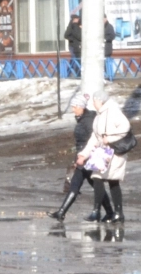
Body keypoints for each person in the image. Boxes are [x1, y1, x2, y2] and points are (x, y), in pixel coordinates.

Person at [47, 92, 114, 222]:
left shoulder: (88, 120)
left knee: (94, 185)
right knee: (76, 185)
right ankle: (61, 212)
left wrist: (85, 156)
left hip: (89, 158)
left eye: (75, 106)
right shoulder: (83, 119)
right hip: (82, 158)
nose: (73, 109)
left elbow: (94, 139)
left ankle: (109, 212)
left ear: (81, 107)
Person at [76, 90, 130, 224]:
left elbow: (125, 127)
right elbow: (95, 137)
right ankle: (104, 212)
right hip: (102, 153)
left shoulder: (114, 112)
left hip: (115, 152)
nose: (93, 103)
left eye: (94, 100)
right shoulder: (99, 115)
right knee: (99, 178)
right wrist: (84, 154)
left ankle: (112, 213)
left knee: (110, 180)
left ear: (100, 101)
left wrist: (110, 139)